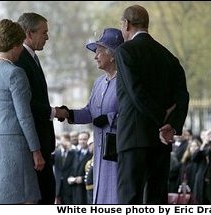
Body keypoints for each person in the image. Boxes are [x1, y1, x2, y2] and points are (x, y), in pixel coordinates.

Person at [115, 5, 189, 204]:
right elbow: (183, 96)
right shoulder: (169, 57)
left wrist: (161, 117)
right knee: (156, 199)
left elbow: (135, 92)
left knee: (129, 200)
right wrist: (171, 125)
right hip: (161, 141)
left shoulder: (124, 51)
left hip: (133, 138)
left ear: (126, 24)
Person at [0, 19, 45, 204]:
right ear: (15, 45)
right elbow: (24, 115)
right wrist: (36, 150)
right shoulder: (15, 73)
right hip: (14, 141)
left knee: (1, 198)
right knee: (25, 198)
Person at [59, 28, 124, 204]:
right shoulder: (98, 83)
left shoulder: (125, 81)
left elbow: (133, 114)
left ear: (112, 55)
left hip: (118, 151)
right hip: (100, 153)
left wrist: (110, 118)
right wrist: (67, 113)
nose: (95, 56)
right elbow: (89, 112)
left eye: (99, 52)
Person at [15, 12, 67, 204]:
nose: (48, 37)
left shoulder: (32, 58)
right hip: (33, 146)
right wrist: (54, 112)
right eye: (44, 32)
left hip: (42, 144)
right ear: (29, 33)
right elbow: (26, 103)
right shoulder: (20, 60)